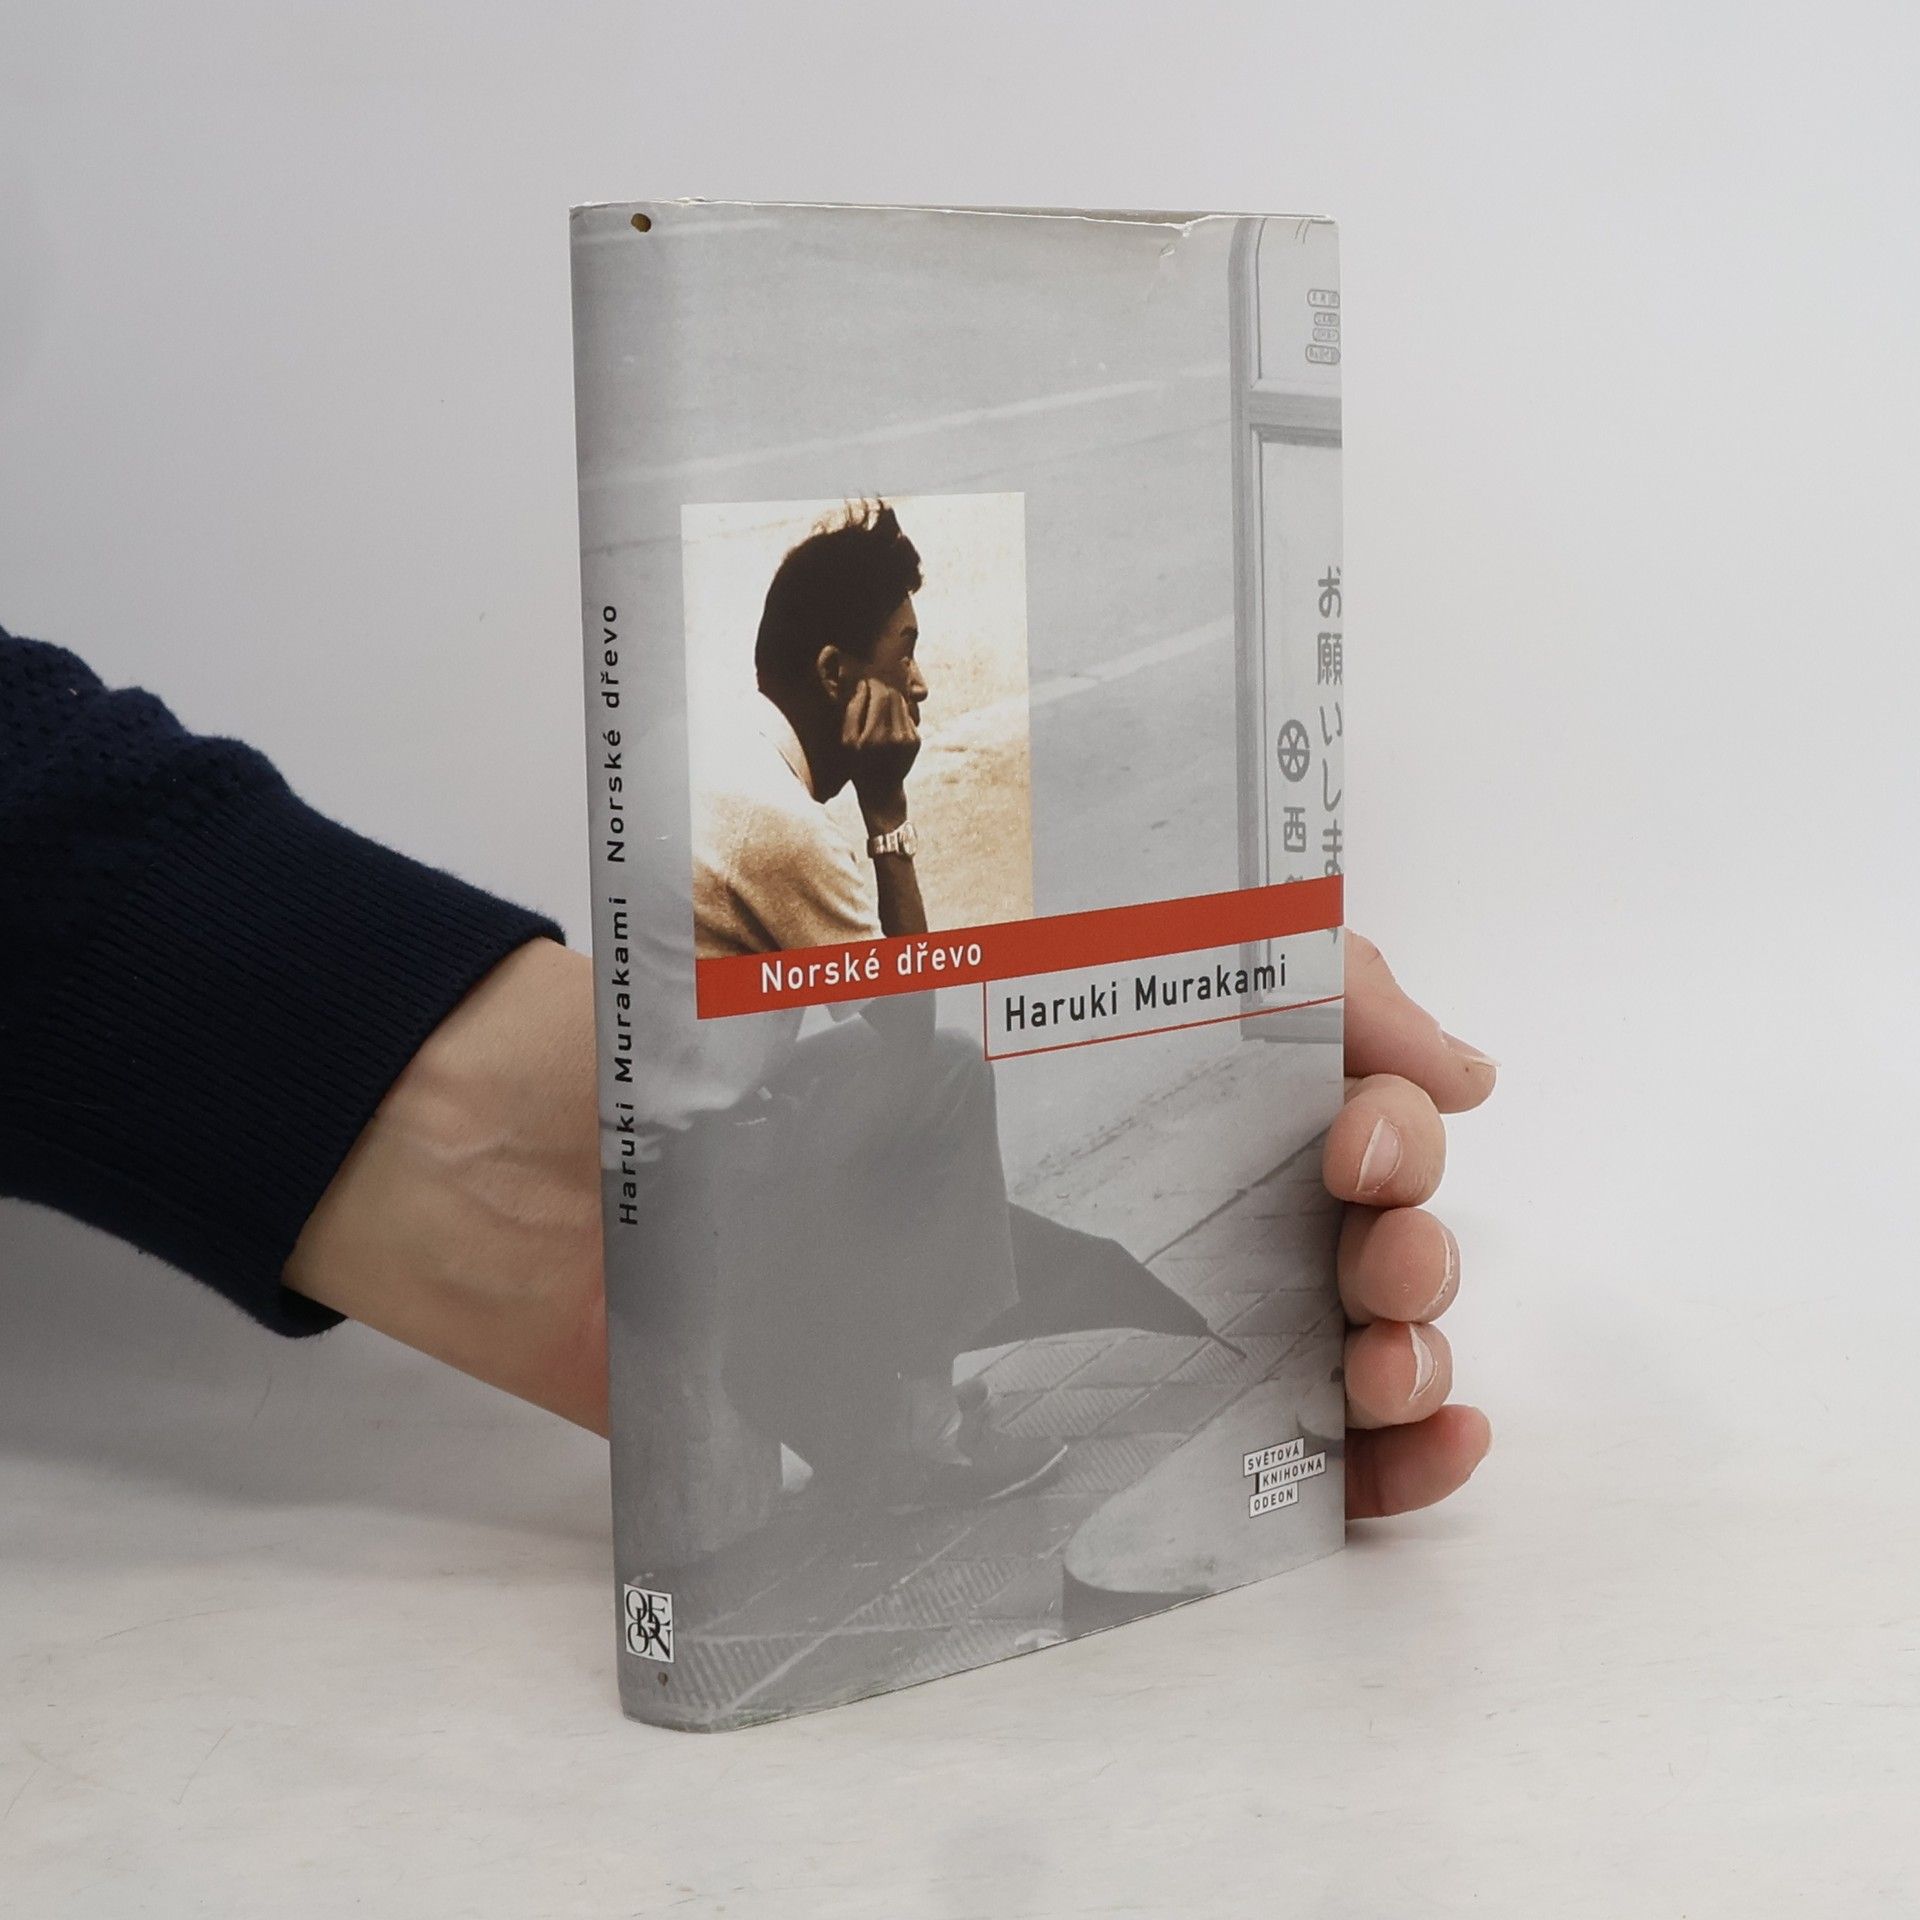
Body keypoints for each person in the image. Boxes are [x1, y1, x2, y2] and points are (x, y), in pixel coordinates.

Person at [0, 622, 1495, 1529]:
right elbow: (906, 1010)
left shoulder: (732, 759)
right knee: (940, 1075)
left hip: (667, 1148)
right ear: (839, 676)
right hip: (706, 1166)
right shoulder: (779, 817)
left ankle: (877, 1395)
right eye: (907, 661)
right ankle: (906, 1425)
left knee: (921, 1079)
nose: (925, 686)